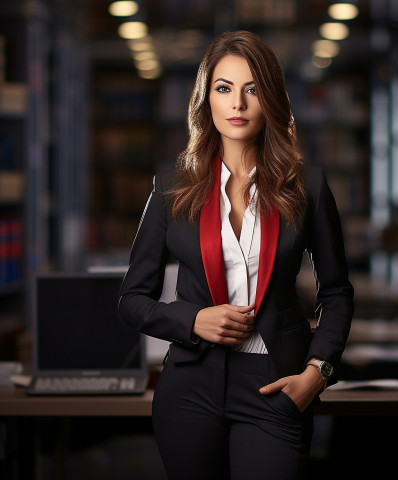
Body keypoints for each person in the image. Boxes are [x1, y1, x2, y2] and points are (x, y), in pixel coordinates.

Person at [118, 30, 354, 480]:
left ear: (271, 98)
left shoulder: (309, 188)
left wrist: (317, 372)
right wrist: (191, 320)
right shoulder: (170, 190)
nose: (238, 105)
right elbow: (132, 300)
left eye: (252, 89)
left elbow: (338, 293)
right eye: (224, 89)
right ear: (207, 100)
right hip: (190, 385)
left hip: (275, 384)